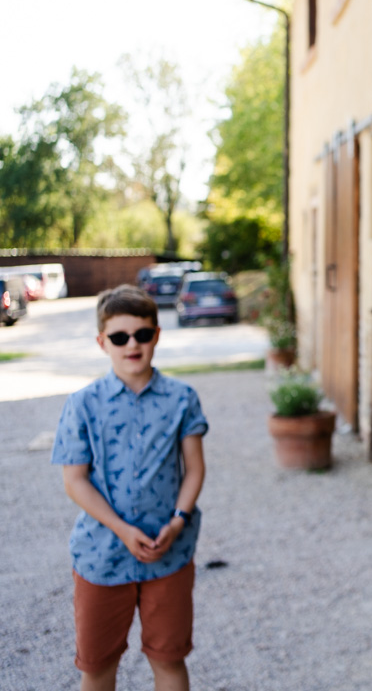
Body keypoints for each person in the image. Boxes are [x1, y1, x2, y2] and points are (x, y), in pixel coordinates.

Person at [51, 285, 208, 691]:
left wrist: (177, 522)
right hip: (102, 556)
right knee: (98, 667)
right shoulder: (82, 404)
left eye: (141, 334)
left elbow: (194, 469)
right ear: (103, 342)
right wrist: (121, 529)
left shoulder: (182, 399)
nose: (132, 344)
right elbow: (74, 480)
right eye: (120, 337)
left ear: (156, 335)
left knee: (169, 659)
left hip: (168, 552)